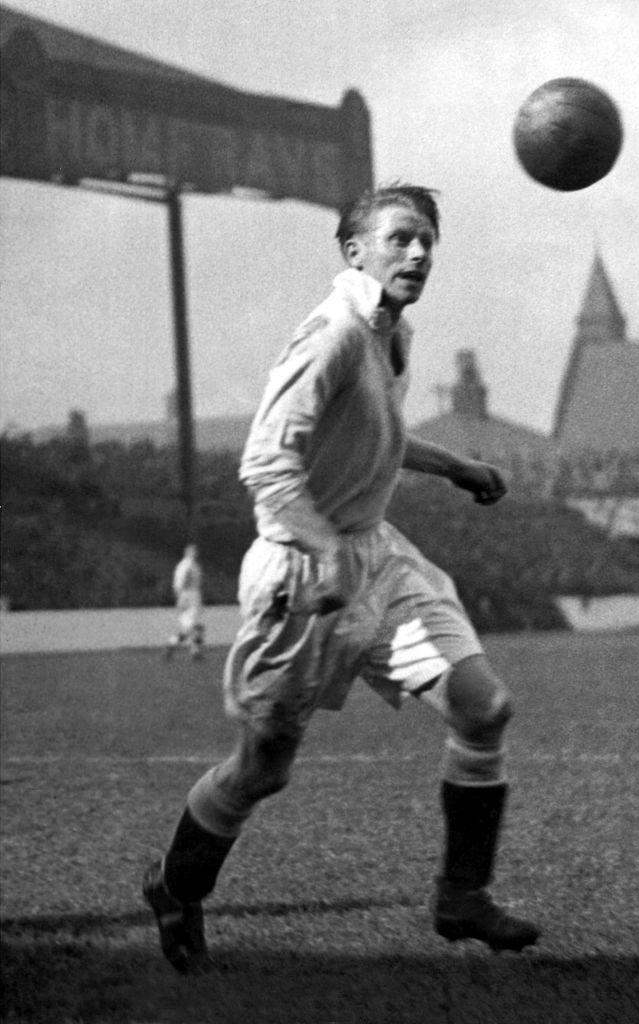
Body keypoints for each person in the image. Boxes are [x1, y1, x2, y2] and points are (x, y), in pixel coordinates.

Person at [144, 183, 540, 973]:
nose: (417, 253)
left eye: (426, 240)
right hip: (300, 577)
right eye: (399, 238)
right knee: (263, 768)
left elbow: (377, 433)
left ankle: (461, 896)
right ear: (354, 252)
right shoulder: (331, 335)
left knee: (482, 709)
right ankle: (175, 888)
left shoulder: (391, 332)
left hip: (376, 565)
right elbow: (265, 466)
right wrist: (324, 549)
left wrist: (455, 466)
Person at [165, 544, 205, 660]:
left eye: (196, 551)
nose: (196, 553)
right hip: (189, 596)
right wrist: (182, 598)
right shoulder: (187, 565)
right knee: (191, 627)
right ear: (187, 552)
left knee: (195, 627)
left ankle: (194, 651)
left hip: (191, 596)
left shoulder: (190, 565)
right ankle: (172, 645)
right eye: (193, 551)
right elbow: (182, 582)